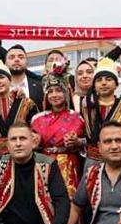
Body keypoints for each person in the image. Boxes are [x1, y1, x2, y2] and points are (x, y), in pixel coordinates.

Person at [0, 57, 37, 193]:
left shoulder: (26, 103)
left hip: (21, 157)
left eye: (1, 77)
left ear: (9, 79)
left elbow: (35, 133)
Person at [31, 61, 84, 199]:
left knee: (69, 200)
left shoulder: (78, 117)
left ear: (66, 93)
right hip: (44, 163)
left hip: (69, 165)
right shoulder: (37, 118)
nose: (54, 95)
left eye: (59, 90)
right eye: (50, 91)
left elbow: (87, 143)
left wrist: (77, 142)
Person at [80, 58, 121, 163]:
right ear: (94, 85)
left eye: (108, 79)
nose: (104, 83)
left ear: (116, 84)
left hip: (119, 159)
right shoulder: (87, 105)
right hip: (92, 159)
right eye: (99, 80)